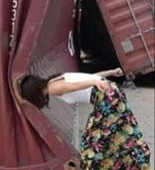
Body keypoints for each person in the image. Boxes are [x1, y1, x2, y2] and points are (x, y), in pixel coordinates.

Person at [20, 68, 151, 170]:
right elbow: (89, 77)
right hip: (111, 92)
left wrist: (96, 82)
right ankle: (136, 161)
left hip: (105, 97)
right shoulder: (55, 79)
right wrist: (110, 73)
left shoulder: (52, 87)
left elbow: (77, 86)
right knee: (121, 130)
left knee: (92, 140)